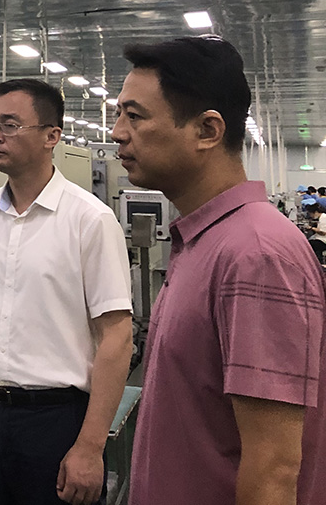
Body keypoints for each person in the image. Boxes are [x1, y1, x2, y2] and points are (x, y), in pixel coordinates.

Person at [111, 36, 326, 505]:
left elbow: (274, 470)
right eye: (118, 114)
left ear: (207, 130)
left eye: (135, 116)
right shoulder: (205, 242)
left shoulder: (256, 256)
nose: (117, 132)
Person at [0, 78, 133, 505]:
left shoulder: (90, 221)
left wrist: (90, 446)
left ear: (51, 136)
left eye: (9, 125)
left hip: (55, 420)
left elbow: (118, 338)